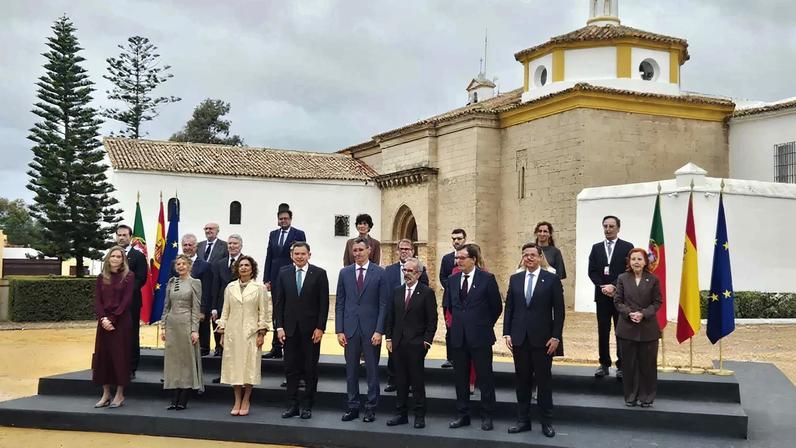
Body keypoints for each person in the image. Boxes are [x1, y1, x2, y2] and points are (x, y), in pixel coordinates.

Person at [503, 243, 565, 438]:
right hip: (520, 339)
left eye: (532, 255)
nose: (528, 258)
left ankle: (546, 422)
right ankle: (523, 420)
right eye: (525, 255)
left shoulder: (552, 279)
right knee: (522, 381)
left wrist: (556, 337)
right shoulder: (515, 279)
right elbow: (510, 308)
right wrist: (507, 333)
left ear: (540, 258)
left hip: (543, 340)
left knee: (544, 382)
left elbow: (560, 311)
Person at [443, 243, 502, 431]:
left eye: (462, 258)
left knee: (485, 378)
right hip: (458, 337)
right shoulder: (452, 280)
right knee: (460, 379)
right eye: (457, 258)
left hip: (480, 336)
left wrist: (482, 324)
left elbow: (496, 308)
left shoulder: (487, 279)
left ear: (473, 259)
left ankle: (487, 415)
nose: (458, 261)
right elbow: (449, 306)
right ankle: (463, 415)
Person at [335, 237, 390, 423]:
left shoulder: (380, 273)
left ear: (369, 250)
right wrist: (339, 330)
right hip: (350, 329)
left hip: (371, 330)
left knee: (372, 371)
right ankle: (353, 407)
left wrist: (379, 330)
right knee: (351, 371)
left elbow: (384, 304)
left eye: (360, 250)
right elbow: (340, 303)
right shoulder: (344, 273)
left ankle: (371, 407)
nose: (357, 253)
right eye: (354, 250)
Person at [274, 242, 329, 420]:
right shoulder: (283, 273)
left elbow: (324, 304)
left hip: (311, 331)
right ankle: (292, 405)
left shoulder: (319, 274)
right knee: (291, 369)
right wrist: (279, 327)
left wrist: (320, 327)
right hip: (289, 330)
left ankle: (307, 405)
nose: (299, 256)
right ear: (292, 255)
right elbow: (279, 303)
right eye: (296, 254)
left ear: (309, 255)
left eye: (303, 254)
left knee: (310, 369)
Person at [385, 257, 438, 429]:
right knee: (400, 381)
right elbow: (390, 316)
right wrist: (389, 338)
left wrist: (427, 342)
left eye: (410, 271)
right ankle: (401, 414)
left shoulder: (426, 293)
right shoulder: (397, 291)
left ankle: (419, 415)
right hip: (398, 344)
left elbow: (432, 320)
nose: (406, 274)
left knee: (416, 382)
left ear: (419, 273)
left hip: (417, 344)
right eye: (405, 270)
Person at [216, 256, 271, 416]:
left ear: (252, 268)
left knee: (249, 367)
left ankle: (246, 399)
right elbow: (225, 312)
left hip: (251, 333)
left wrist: (262, 333)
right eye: (241, 265)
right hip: (233, 333)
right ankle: (237, 399)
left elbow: (264, 313)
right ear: (237, 269)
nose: (244, 268)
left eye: (247, 265)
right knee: (234, 367)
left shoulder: (259, 288)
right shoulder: (230, 287)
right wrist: (222, 332)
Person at [614, 248, 662, 408]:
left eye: (639, 259)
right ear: (629, 261)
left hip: (648, 329)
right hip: (627, 328)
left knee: (648, 365)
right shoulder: (622, 278)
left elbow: (657, 302)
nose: (636, 262)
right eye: (633, 259)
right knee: (629, 365)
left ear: (645, 262)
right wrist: (630, 313)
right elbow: (618, 301)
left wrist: (643, 314)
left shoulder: (653, 279)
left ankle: (647, 398)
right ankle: (631, 397)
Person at [588, 215, 633, 380]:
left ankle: (621, 365)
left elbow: (628, 269)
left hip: (619, 296)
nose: (608, 229)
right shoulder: (596, 248)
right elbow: (592, 270)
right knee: (603, 330)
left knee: (620, 330)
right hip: (602, 296)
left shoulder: (627, 247)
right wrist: (602, 286)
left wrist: (614, 285)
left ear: (618, 228)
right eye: (605, 226)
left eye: (611, 226)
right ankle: (604, 363)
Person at [383, 239, 429, 392]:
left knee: (412, 357)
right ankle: (393, 380)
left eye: (407, 249)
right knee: (393, 351)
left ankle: (410, 383)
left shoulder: (421, 270)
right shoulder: (389, 270)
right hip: (395, 313)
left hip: (413, 319)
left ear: (413, 251)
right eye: (401, 248)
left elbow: (425, 294)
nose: (404, 251)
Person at [92, 246, 134, 409]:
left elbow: (126, 300)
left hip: (121, 322)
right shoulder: (102, 277)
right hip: (104, 323)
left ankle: (119, 394)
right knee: (103, 357)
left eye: (119, 256)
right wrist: (103, 318)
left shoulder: (129, 276)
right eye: (113, 256)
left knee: (120, 357)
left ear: (123, 260)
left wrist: (112, 319)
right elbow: (97, 300)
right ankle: (105, 394)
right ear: (108, 258)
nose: (116, 259)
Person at [263, 204, 307, 359]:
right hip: (275, 278)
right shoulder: (273, 234)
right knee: (277, 311)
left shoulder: (298, 234)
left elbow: (302, 255)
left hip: (292, 277)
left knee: (291, 311)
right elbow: (269, 256)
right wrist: (266, 278)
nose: (283, 221)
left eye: (286, 218)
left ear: (290, 219)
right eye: (281, 219)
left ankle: (289, 345)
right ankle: (275, 347)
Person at [161, 254, 204, 410]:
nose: (180, 266)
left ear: (189, 265)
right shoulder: (172, 282)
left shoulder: (195, 283)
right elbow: (166, 306)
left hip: (186, 324)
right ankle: (174, 397)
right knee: (174, 362)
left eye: (183, 264)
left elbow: (196, 308)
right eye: (178, 264)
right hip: (172, 325)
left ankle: (184, 398)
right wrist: (163, 327)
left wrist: (195, 330)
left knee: (186, 361)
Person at [114, 225, 147, 379]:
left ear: (130, 237)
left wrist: (125, 293)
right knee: (114, 334)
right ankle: (114, 365)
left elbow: (141, 278)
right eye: (119, 235)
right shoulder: (111, 256)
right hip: (112, 303)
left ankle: (131, 367)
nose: (121, 238)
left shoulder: (138, 256)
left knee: (132, 334)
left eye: (124, 235)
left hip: (131, 303)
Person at [176, 234, 214, 357]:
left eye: (190, 245)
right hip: (180, 310)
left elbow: (207, 291)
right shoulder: (175, 265)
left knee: (198, 345)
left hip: (197, 310)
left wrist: (202, 311)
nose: (187, 247)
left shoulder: (205, 266)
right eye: (185, 245)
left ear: (196, 246)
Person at [210, 234, 244, 360]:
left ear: (240, 246)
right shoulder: (220, 263)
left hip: (239, 306)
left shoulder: (246, 262)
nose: (232, 246)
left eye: (235, 243)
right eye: (230, 243)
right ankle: (224, 373)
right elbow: (215, 287)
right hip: (221, 305)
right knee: (222, 341)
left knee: (236, 340)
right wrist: (214, 307)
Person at [439, 228, 467, 369]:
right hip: (449, 299)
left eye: (459, 238)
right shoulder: (447, 258)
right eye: (454, 239)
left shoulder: (470, 256)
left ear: (465, 239)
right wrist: (453, 288)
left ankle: (463, 357)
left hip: (466, 300)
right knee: (450, 329)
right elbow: (442, 277)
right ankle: (450, 358)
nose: (456, 241)